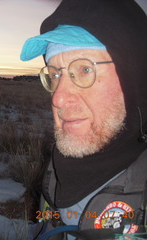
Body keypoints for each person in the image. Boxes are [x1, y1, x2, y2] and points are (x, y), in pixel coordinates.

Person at [20, 0, 147, 239]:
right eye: (55, 74)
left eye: (85, 69)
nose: (58, 97)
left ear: (134, 77)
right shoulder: (55, 176)